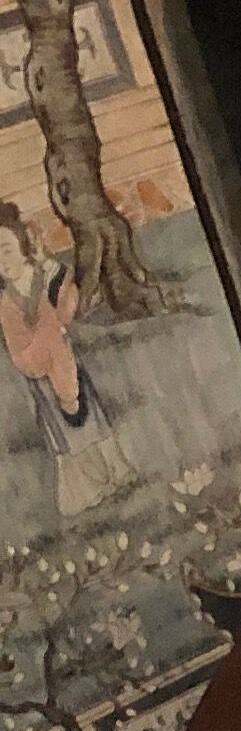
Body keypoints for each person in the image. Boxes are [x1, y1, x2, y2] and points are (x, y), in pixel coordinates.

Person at [0, 198, 126, 517]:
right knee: (63, 433)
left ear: (22, 245)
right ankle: (84, 492)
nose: (2, 261)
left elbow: (67, 308)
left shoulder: (44, 274)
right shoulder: (6, 303)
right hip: (42, 377)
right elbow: (19, 348)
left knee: (90, 420)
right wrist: (43, 342)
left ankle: (115, 473)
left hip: (67, 361)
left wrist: (53, 271)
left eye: (6, 250)